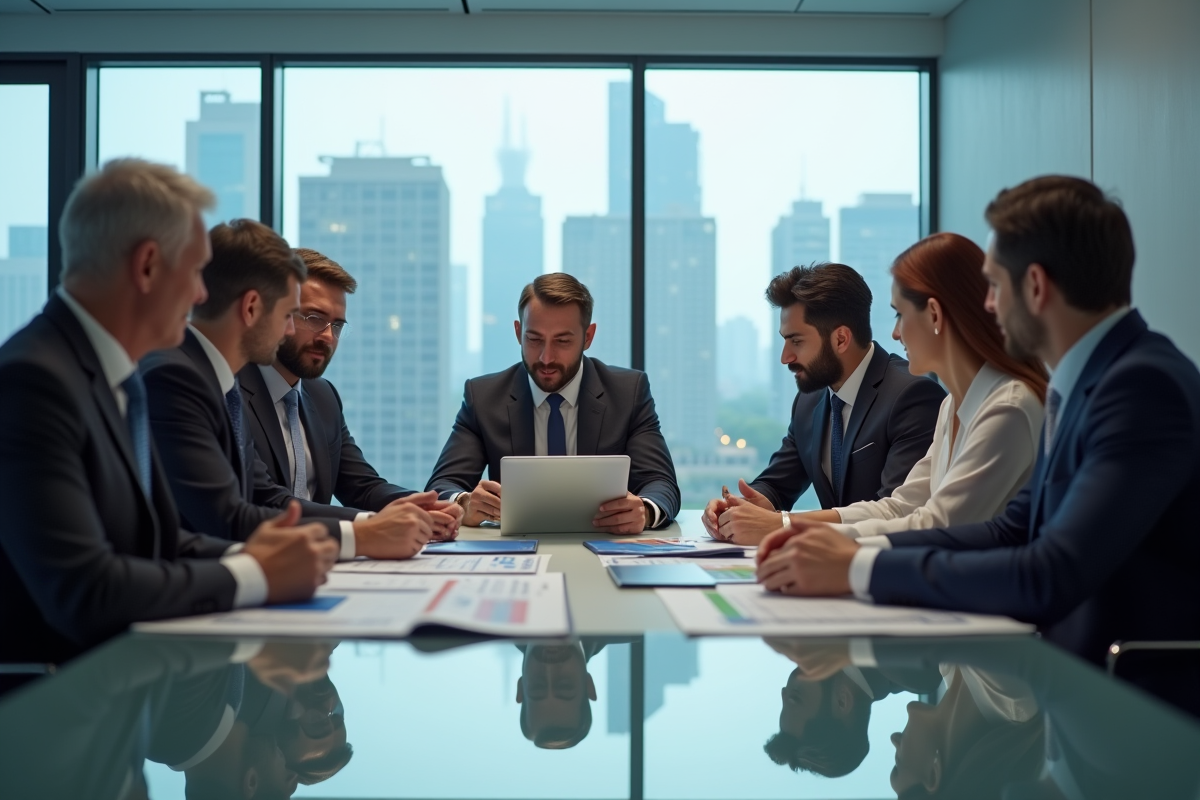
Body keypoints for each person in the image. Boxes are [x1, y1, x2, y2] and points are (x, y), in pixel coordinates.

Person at [756, 175, 1200, 665]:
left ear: (1035, 286)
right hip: (1068, 676)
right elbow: (1009, 530)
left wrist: (859, 569)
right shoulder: (1086, 384)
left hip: (1126, 693)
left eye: (995, 285)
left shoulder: (1139, 387)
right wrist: (842, 551)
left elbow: (1048, 574)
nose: (987, 304)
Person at [0, 159, 336, 665]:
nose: (202, 294)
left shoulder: (116, 379)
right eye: (196, 271)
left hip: (124, 685)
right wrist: (255, 574)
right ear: (148, 266)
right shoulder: (34, 381)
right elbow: (87, 590)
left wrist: (259, 556)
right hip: (56, 698)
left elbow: (157, 541)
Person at [142, 219, 446, 561]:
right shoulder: (180, 377)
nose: (291, 330)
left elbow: (266, 496)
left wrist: (408, 513)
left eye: (337, 325)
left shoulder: (227, 382)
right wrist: (364, 532)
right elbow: (231, 515)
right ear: (251, 307)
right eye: (295, 315)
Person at [790, 233, 1047, 539]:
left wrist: (810, 538)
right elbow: (900, 508)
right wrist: (787, 527)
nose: (895, 333)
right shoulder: (953, 405)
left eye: (900, 314)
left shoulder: (1007, 407)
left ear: (934, 315)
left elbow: (939, 525)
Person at [704, 263, 945, 544]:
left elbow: (898, 513)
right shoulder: (809, 400)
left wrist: (782, 524)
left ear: (841, 339)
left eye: (796, 341)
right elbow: (777, 484)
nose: (785, 357)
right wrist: (742, 509)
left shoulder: (912, 395)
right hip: (829, 561)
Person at [427, 273, 680, 533]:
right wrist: (464, 502)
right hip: (515, 548)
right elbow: (441, 485)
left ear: (588, 337)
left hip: (605, 545)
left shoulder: (628, 393)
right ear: (518, 332)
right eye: (534, 339)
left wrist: (645, 511)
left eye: (563, 341)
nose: (546, 358)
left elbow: (661, 483)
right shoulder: (483, 397)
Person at [238, 247, 460, 538]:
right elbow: (265, 499)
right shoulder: (232, 392)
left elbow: (362, 487)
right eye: (314, 318)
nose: (328, 337)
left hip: (322, 556)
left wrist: (427, 507)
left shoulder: (322, 396)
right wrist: (374, 524)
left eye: (337, 325)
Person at [763, 638, 942, 778]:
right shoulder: (919, 672)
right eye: (795, 697)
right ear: (842, 701)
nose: (783, 692)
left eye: (784, 697)